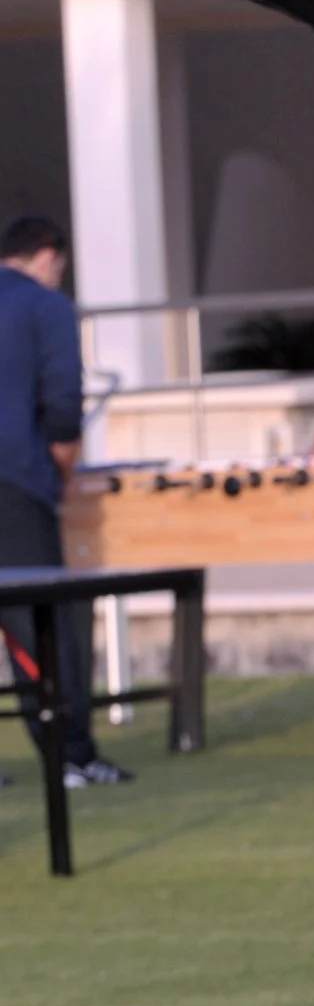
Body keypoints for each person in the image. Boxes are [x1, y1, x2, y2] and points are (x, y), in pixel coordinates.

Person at [0, 211, 130, 791]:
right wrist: (63, 470)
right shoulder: (45, 306)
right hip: (14, 484)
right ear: (49, 255)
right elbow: (62, 404)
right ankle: (70, 755)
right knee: (42, 625)